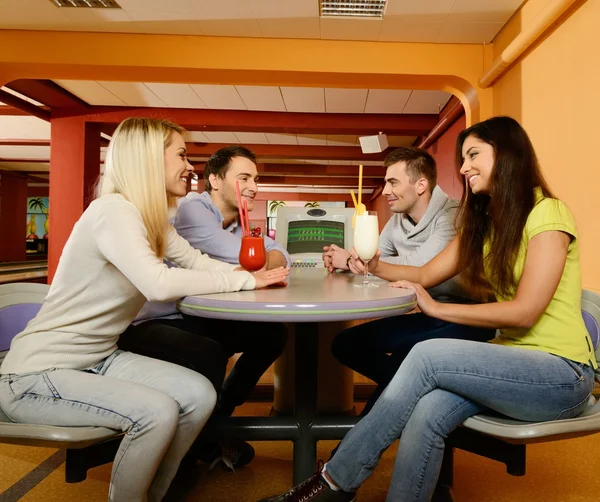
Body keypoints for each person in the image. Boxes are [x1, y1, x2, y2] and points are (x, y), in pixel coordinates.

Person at [259, 116, 597, 502]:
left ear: (507, 155)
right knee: (427, 408)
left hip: (562, 375)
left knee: (424, 356)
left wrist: (436, 308)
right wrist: (369, 263)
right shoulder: (485, 222)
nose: (464, 167)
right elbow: (424, 272)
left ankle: (333, 484)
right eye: (463, 158)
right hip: (512, 359)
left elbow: (524, 312)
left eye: (473, 155)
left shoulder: (548, 214)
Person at [0, 117, 289, 502]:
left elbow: (198, 262)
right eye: (182, 155)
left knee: (200, 395)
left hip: (100, 356)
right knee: (157, 412)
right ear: (148, 158)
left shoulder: (153, 218)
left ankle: (154, 495)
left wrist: (253, 276)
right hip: (38, 373)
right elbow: (158, 282)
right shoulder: (113, 211)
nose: (190, 167)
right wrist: (246, 280)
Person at [119, 145, 290, 470]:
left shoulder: (240, 224)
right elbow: (242, 259)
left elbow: (278, 254)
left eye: (256, 178)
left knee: (271, 334)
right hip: (155, 321)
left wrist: (264, 255)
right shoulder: (192, 209)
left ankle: (216, 417)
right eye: (244, 177)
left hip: (197, 315)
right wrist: (261, 257)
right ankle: (204, 438)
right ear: (214, 179)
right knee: (208, 351)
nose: (253, 186)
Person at [324, 147, 494, 423]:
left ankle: (345, 454)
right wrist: (350, 261)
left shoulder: (453, 216)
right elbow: (375, 256)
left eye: (393, 182)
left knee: (404, 361)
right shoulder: (396, 221)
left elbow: (420, 269)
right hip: (430, 313)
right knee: (346, 344)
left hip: (468, 316)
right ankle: (424, 391)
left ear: (421, 185)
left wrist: (366, 262)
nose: (386, 190)